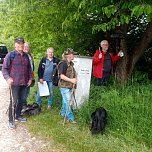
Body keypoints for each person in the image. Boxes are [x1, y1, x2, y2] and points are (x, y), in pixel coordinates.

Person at [2, 37, 32, 129]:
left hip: (24, 83)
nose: (21, 45)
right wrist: (7, 78)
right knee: (13, 102)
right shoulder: (10, 55)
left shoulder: (26, 56)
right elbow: (4, 69)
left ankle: (18, 116)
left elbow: (29, 69)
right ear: (15, 45)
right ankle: (11, 120)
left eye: (22, 44)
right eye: (19, 44)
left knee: (21, 100)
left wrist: (30, 78)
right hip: (14, 83)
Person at [58, 48, 77, 124]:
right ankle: (71, 117)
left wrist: (74, 79)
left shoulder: (71, 64)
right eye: (73, 54)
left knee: (65, 101)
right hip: (64, 86)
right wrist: (71, 80)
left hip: (68, 86)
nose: (74, 55)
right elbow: (61, 76)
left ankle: (63, 113)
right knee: (68, 102)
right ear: (68, 55)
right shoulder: (63, 63)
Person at [23, 41, 34, 107]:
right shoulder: (21, 55)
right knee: (23, 94)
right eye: (25, 47)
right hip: (23, 78)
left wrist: (32, 77)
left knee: (27, 93)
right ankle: (20, 108)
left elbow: (32, 67)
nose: (26, 48)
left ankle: (24, 106)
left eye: (27, 47)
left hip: (30, 78)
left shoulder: (30, 55)